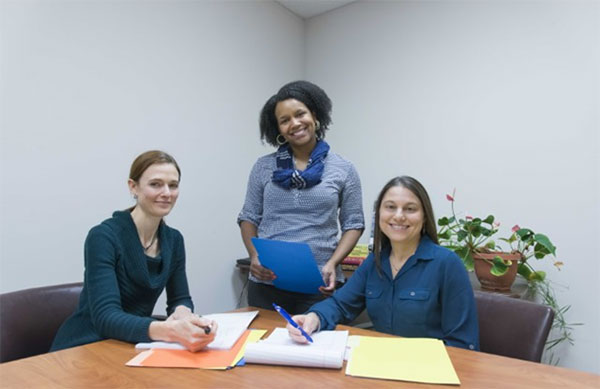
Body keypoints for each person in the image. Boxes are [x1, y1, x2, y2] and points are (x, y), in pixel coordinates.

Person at [286, 176, 479, 350]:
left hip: (429, 371)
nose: (399, 215)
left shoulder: (447, 264)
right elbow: (340, 305)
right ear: (379, 214)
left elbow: (462, 343)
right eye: (390, 207)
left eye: (410, 209)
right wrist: (313, 318)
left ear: (424, 216)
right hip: (381, 364)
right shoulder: (375, 262)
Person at [51, 150, 217, 352]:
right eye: (155, 184)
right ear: (133, 187)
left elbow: (179, 298)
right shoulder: (103, 237)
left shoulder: (174, 239)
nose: (166, 193)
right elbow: (106, 318)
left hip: (131, 344)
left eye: (173, 185)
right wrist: (170, 330)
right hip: (85, 346)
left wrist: (183, 315)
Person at [238, 80, 365, 314]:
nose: (294, 124)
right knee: (263, 348)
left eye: (300, 114)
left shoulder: (344, 169)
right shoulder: (263, 167)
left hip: (320, 285)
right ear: (278, 129)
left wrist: (333, 263)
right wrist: (254, 256)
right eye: (284, 120)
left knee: (318, 348)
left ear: (314, 115)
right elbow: (248, 218)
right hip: (267, 283)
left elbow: (354, 224)